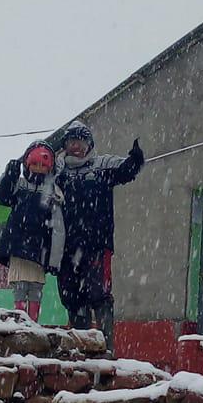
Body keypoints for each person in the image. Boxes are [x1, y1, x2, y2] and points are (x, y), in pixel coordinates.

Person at [54, 119, 143, 350]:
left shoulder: (102, 166)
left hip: (97, 245)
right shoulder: (56, 172)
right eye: (72, 141)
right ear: (65, 145)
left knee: (100, 295)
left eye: (81, 141)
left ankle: (105, 347)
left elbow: (125, 170)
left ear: (89, 144)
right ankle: (81, 347)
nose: (76, 146)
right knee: (72, 299)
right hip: (65, 248)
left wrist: (135, 159)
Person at [0, 141, 64, 322]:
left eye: (43, 165)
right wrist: (9, 175)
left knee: (35, 289)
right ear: (27, 164)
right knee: (20, 286)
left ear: (50, 168)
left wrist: (55, 259)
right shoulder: (19, 185)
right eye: (35, 164)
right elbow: (2, 197)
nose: (39, 168)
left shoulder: (52, 192)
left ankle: (33, 324)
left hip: (39, 251)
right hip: (17, 248)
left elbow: (58, 228)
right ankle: (19, 322)